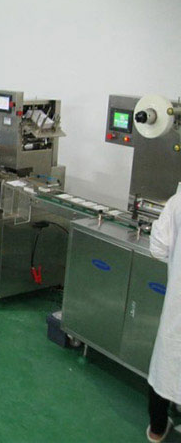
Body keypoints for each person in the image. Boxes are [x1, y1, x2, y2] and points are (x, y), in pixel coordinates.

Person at [146, 189, 181, 442]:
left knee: (166, 366)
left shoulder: (178, 202)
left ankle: (157, 429)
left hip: (178, 307)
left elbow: (158, 248)